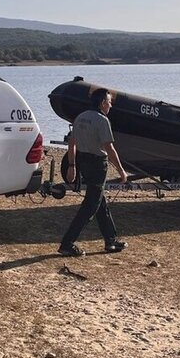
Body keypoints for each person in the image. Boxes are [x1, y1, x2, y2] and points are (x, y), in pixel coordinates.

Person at [58, 87, 128, 256]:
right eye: (109, 103)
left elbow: (71, 143)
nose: (110, 106)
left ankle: (110, 241)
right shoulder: (102, 120)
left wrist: (72, 166)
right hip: (97, 165)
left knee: (99, 201)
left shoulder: (80, 117)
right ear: (103, 102)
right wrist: (121, 171)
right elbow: (109, 149)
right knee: (90, 206)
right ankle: (67, 243)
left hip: (83, 162)